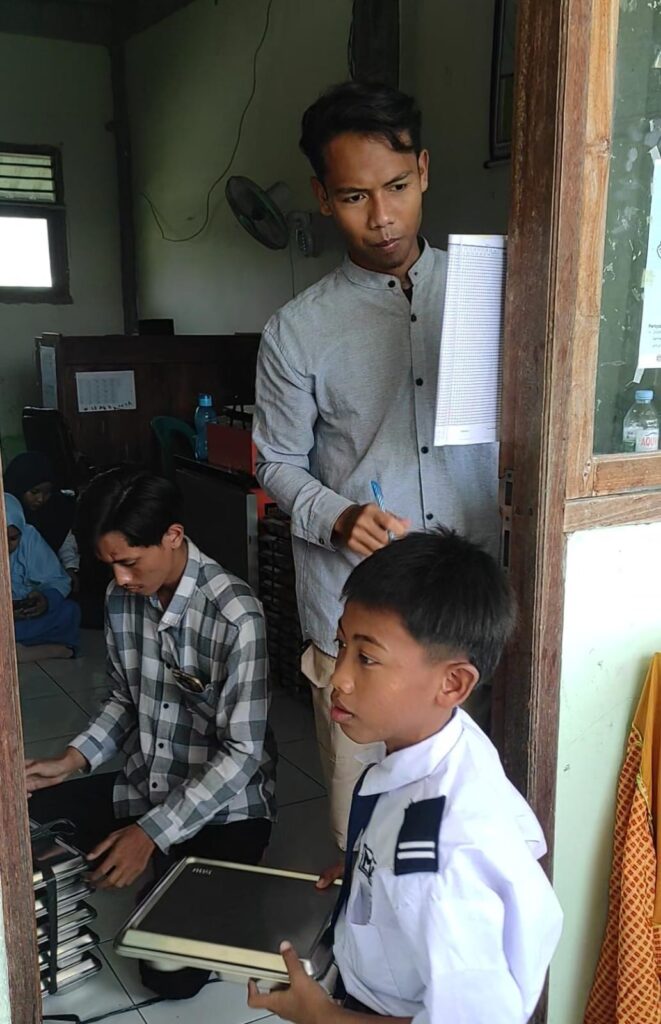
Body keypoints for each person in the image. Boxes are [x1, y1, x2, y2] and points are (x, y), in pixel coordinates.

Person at [252, 80, 499, 849]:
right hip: (359, 624)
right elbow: (274, 462)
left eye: (396, 187)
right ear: (323, 198)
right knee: (364, 836)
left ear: (422, 169)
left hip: (464, 613)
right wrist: (338, 516)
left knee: (463, 834)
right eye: (355, 196)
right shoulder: (297, 331)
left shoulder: (487, 293)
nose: (382, 216)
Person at [247, 529, 563, 1024]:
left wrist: (322, 1018)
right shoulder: (451, 737)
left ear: (452, 683)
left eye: (367, 658)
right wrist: (370, 870)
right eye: (342, 645)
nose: (339, 677)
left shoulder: (441, 867)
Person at [26, 468, 277, 999]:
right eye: (109, 564)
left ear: (173, 536)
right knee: (23, 819)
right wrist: (72, 759)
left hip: (226, 809)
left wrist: (151, 834)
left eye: (129, 562)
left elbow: (243, 754)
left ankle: (190, 888)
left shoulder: (236, 615)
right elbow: (124, 698)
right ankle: (165, 875)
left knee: (169, 976)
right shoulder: (122, 599)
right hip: (146, 783)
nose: (120, 578)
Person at [6, 493, 80, 660]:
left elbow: (58, 579)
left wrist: (45, 601)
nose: (6, 545)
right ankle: (49, 649)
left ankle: (17, 648)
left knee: (70, 610)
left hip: (25, 614)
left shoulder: (30, 537)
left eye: (13, 538)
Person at [4, 452, 80, 583]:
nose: (40, 499)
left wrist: (70, 568)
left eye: (47, 493)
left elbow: (65, 541)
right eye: (34, 492)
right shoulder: (7, 512)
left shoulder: (56, 509)